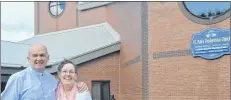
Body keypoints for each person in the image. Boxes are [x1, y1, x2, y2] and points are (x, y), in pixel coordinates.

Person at [1, 44, 87, 100]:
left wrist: (80, 85)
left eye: (42, 55)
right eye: (35, 55)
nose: (39, 59)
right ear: (28, 59)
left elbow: (68, 87)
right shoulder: (17, 79)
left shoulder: (53, 81)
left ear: (48, 58)